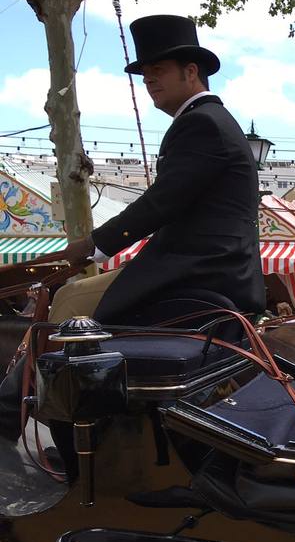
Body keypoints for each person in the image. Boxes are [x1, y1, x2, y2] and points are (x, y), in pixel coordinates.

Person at [50, 16, 263, 325]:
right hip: (215, 266)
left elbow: (160, 203)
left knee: (68, 300)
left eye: (158, 70)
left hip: (202, 269)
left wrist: (93, 245)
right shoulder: (211, 120)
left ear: (191, 72)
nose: (148, 80)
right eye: (145, 74)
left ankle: (53, 375)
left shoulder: (201, 123)